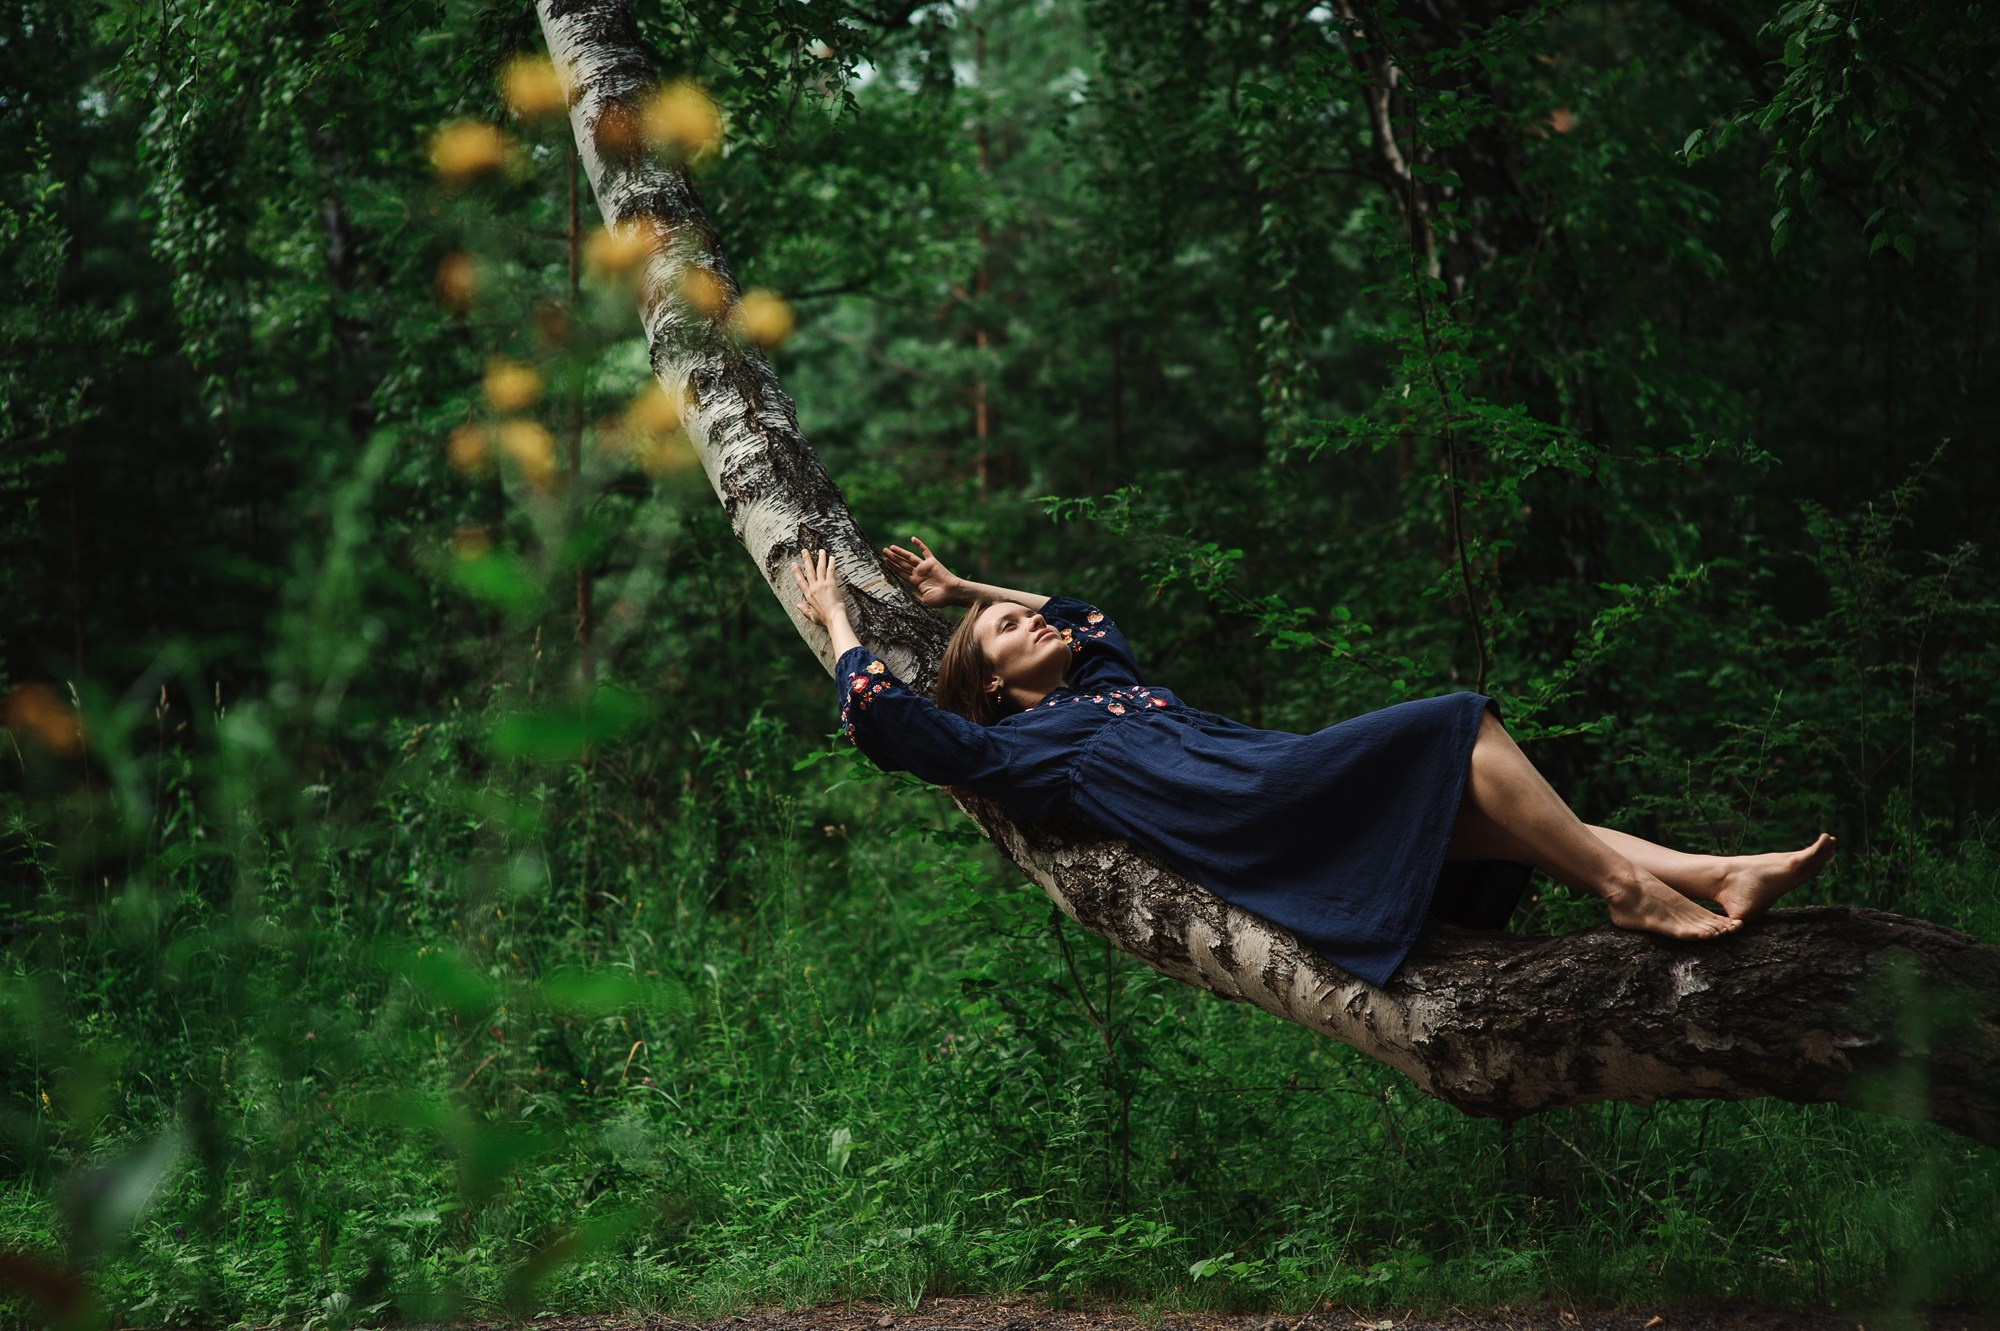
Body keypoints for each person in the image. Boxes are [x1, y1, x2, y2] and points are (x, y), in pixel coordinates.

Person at [790, 539, 1836, 988]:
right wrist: (838, 620)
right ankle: (1627, 892)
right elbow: (893, 722)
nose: (1035, 620)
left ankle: (1718, 871)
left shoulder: (1102, 684)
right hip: (1253, 810)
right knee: (1457, 724)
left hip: (1274, 773)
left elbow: (1083, 612)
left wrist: (967, 592)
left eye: (1021, 616)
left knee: (1486, 814)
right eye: (1009, 629)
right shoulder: (1021, 746)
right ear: (993, 678)